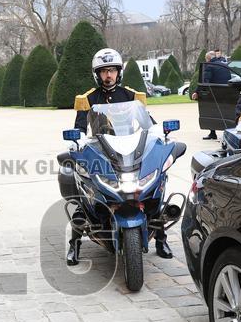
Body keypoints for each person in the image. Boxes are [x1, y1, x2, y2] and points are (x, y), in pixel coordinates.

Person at [68, 48, 173, 261]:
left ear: (119, 72)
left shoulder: (131, 95)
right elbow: (79, 129)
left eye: (112, 70)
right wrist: (77, 141)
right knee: (85, 190)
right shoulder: (88, 98)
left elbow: (148, 125)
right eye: (104, 71)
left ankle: (161, 239)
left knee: (154, 188)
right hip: (102, 150)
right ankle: (74, 243)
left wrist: (160, 136)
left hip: (131, 148)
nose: (108, 75)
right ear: (97, 74)